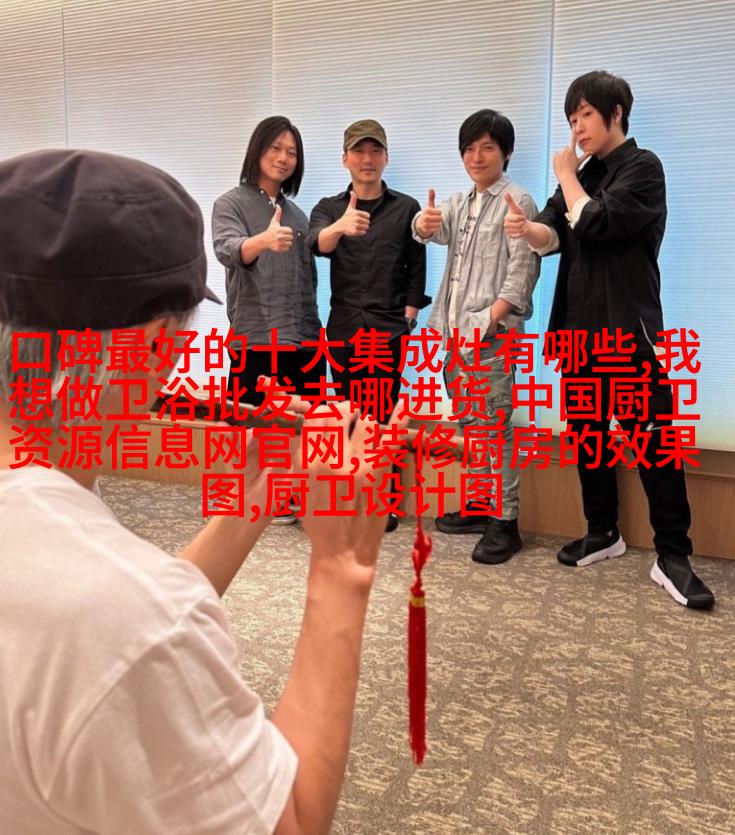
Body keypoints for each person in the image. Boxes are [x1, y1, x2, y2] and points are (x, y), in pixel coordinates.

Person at [0, 148, 391, 834]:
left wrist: (255, 495)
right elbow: (288, 821)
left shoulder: (95, 584)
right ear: (154, 343)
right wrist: (341, 566)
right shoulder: (123, 615)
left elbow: (119, 618)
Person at [504, 70, 714, 609]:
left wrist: (566, 176)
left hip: (625, 330)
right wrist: (529, 230)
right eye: (572, 119)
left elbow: (595, 222)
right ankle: (603, 531)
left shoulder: (643, 168)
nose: (577, 128)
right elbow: (554, 230)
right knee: (588, 435)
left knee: (654, 441)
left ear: (615, 113)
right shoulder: (582, 174)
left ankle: (673, 555)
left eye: (586, 116)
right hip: (576, 329)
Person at [412, 109, 540, 564]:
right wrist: (423, 224)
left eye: (487, 147)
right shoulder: (460, 201)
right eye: (469, 148)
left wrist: (491, 319)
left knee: (495, 427)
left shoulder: (517, 202)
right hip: (454, 336)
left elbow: (523, 273)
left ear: (505, 152)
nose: (476, 156)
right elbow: (430, 227)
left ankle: (506, 522)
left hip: (490, 337)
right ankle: (482, 505)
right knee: (471, 424)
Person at [308, 119, 429, 532]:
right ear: (345, 159)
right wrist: (340, 227)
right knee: (346, 415)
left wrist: (409, 317)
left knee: (383, 416)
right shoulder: (329, 208)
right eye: (359, 151)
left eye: (375, 150)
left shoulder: (406, 208)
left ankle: (384, 501)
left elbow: (416, 267)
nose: (367, 159)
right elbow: (316, 243)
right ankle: (349, 494)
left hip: (388, 330)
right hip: (343, 328)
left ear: (386, 158)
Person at [213, 116, 324, 524]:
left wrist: (313, 333)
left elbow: (309, 281)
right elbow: (227, 250)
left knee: (299, 423)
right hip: (256, 332)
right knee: (252, 422)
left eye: (291, 152)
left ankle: (288, 493)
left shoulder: (298, 215)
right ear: (257, 151)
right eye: (275, 148)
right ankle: (253, 495)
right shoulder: (230, 203)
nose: (283, 158)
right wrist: (262, 239)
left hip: (301, 334)